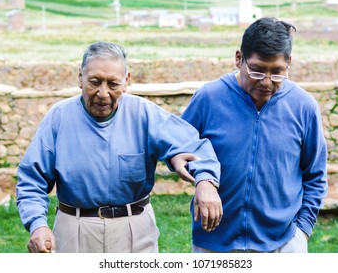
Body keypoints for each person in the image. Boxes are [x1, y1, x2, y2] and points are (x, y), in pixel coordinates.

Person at [16, 41, 222, 253]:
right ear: (80, 78)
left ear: (126, 81)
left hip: (135, 230)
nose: (103, 93)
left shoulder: (144, 114)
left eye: (112, 84)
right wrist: (37, 225)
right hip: (74, 230)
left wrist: (205, 181)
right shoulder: (58, 117)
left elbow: (193, 145)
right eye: (94, 82)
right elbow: (32, 178)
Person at [181, 17, 328, 253]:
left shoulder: (304, 106)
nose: (267, 82)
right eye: (257, 71)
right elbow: (178, 149)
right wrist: (203, 181)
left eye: (277, 72)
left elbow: (315, 175)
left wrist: (302, 231)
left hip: (284, 244)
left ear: (289, 64)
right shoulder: (208, 98)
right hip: (213, 242)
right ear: (239, 58)